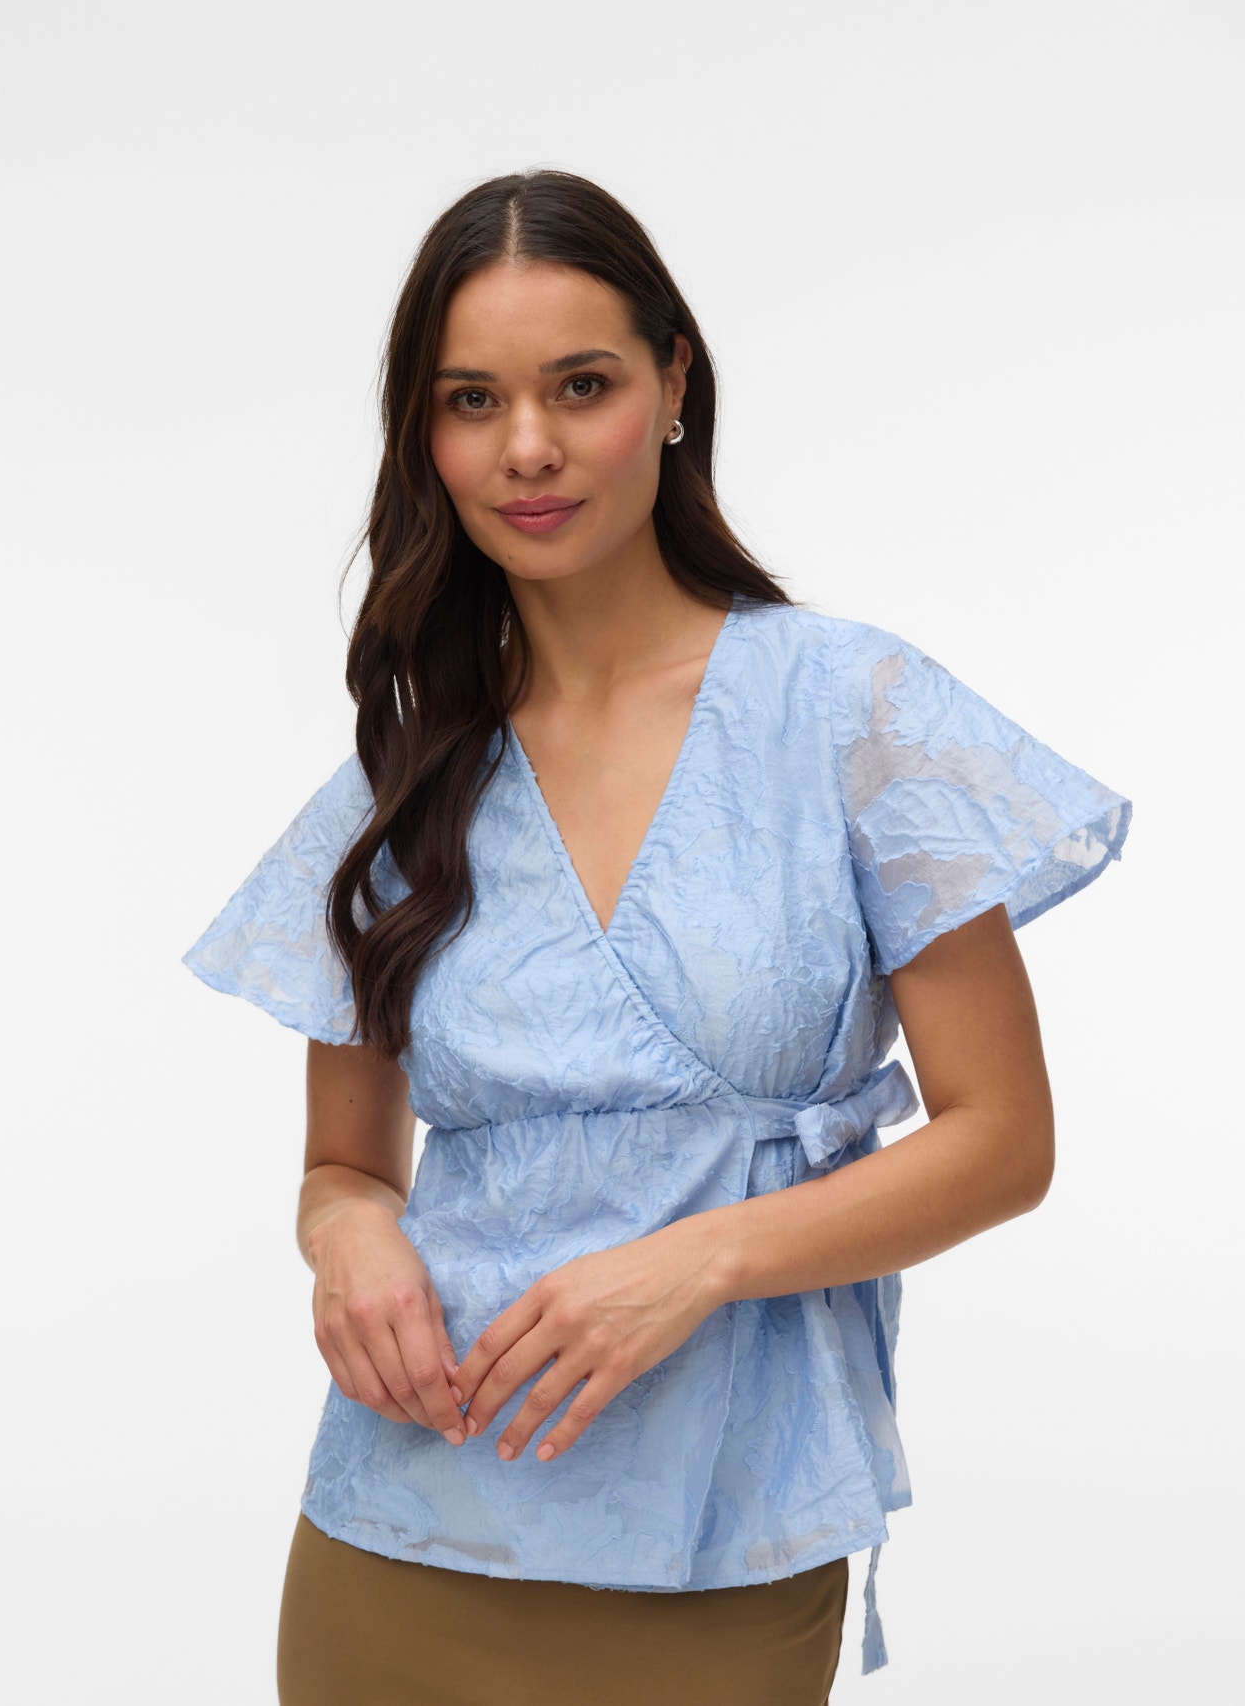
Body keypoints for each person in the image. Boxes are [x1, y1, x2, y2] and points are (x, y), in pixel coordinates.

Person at [181, 168, 1133, 1706]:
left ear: (674, 384)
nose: (529, 448)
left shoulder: (852, 712)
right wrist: (348, 1236)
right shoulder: (406, 775)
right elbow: (345, 1165)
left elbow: (1004, 1141)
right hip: (406, 1525)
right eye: (473, 401)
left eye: (582, 385)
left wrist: (695, 1263)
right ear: (425, 436)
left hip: (728, 1539)